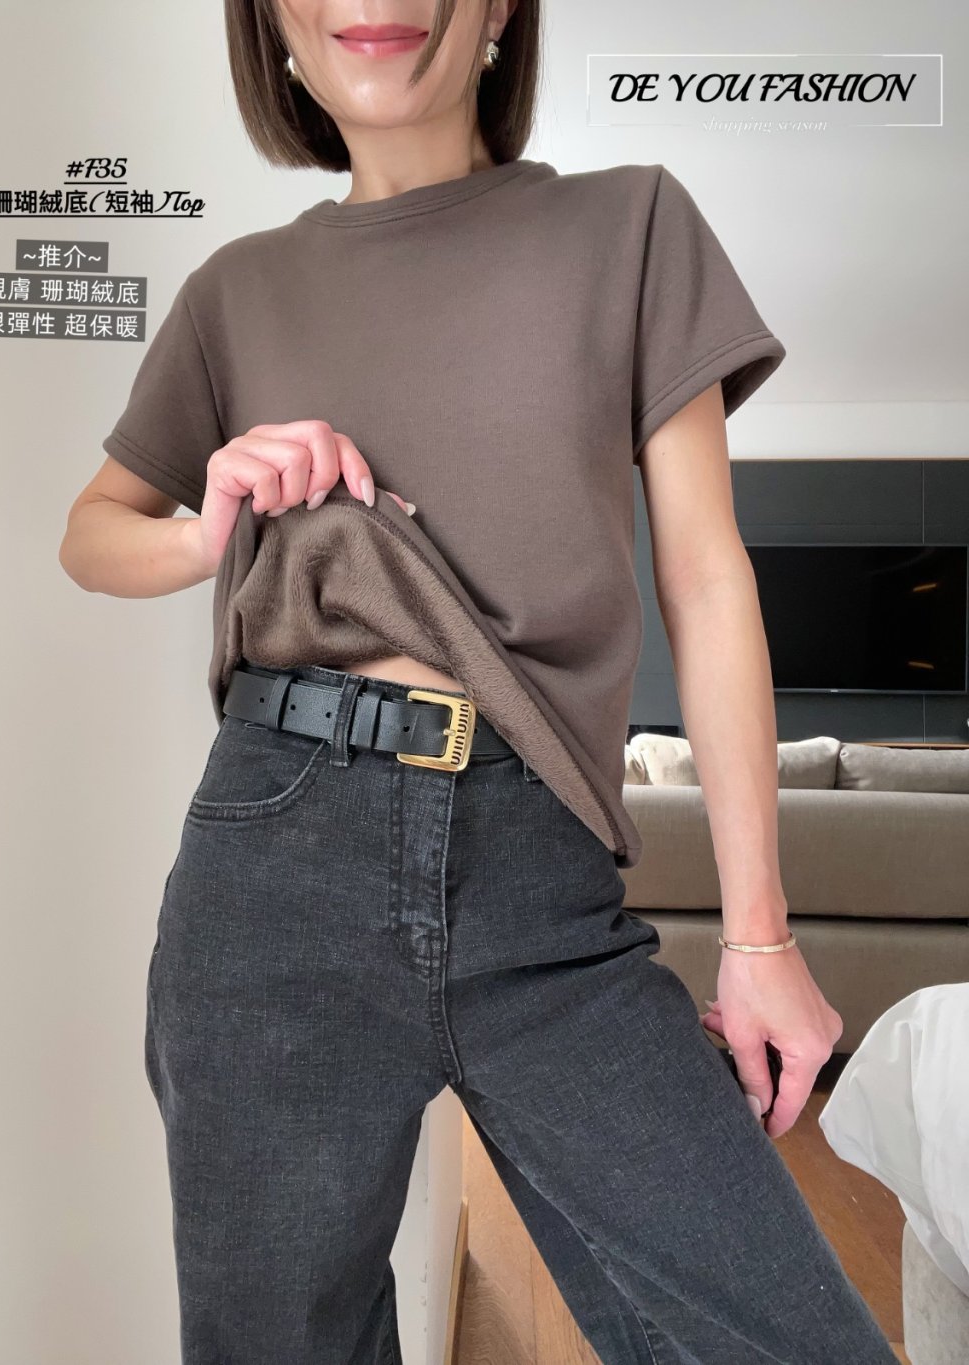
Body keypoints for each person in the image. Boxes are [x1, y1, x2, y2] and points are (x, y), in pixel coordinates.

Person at [58, 2, 901, 1361]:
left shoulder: (632, 225)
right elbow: (92, 534)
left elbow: (707, 579)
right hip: (273, 863)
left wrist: (760, 938)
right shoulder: (234, 291)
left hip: (539, 869)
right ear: (274, 25)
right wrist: (208, 526)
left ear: (500, 7)